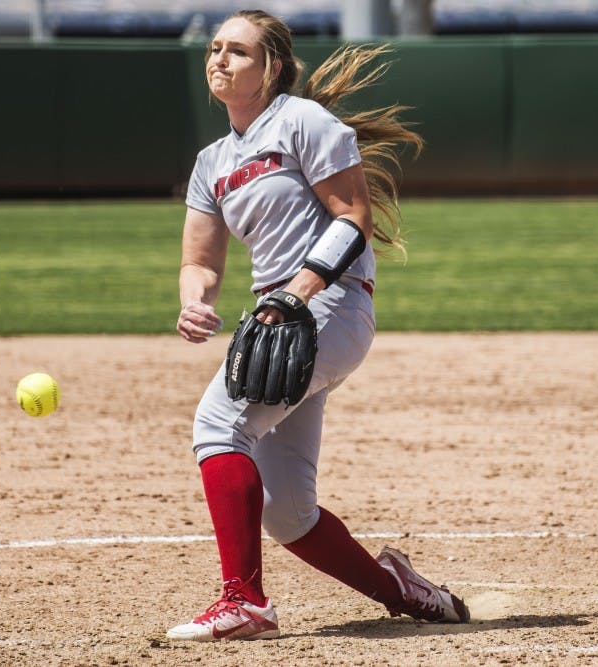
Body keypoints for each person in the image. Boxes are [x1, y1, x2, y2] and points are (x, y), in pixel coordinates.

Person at [170, 9, 470, 641]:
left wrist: (299, 292)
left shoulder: (303, 121)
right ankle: (409, 593)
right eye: (215, 49)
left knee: (218, 424)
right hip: (285, 320)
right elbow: (199, 260)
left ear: (272, 67)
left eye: (238, 51)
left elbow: (353, 215)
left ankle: (243, 601)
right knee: (286, 513)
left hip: (330, 306)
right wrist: (194, 299)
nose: (219, 59)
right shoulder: (212, 161)